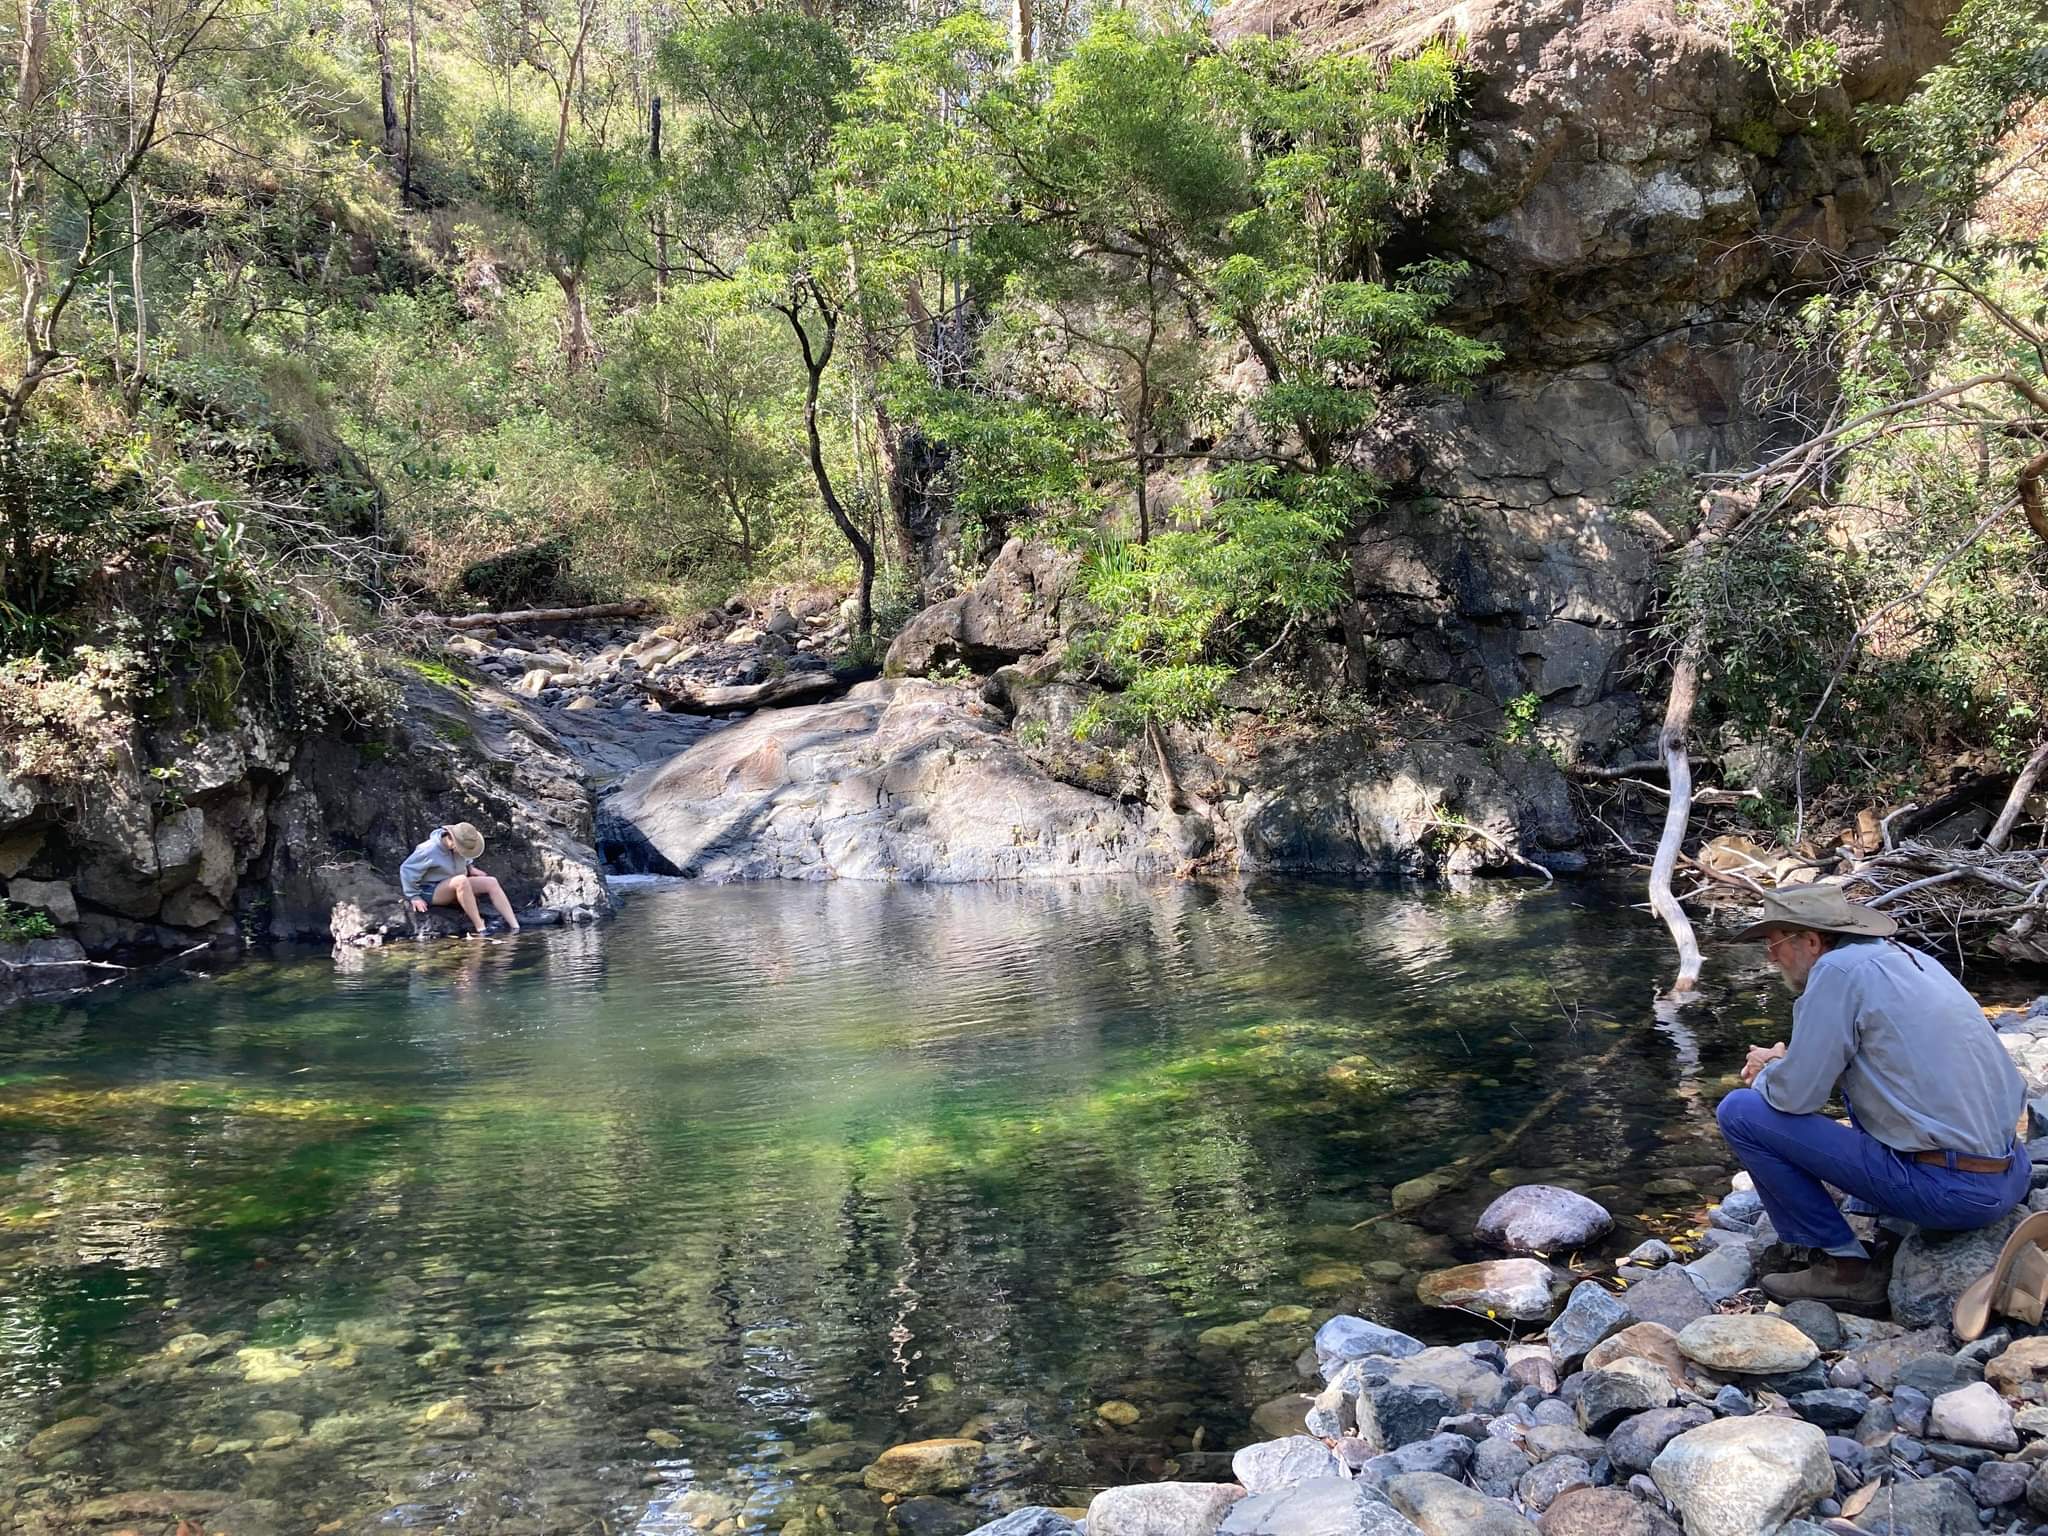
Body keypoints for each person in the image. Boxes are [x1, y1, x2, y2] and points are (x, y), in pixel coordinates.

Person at [1715, 885, 2028, 1311]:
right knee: (1866, 1075)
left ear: (1810, 940)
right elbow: (1879, 1059)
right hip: (2010, 1173)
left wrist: (1769, 1070)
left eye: (1774, 943)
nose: (1771, 957)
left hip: (1957, 1193)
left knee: (1740, 1111)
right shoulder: (1908, 959)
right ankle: (1889, 1224)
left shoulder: (1836, 973)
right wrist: (1787, 1061)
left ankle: (1843, 1268)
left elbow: (1795, 1097)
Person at [398, 821, 521, 938]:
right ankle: (480, 926)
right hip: (431, 890)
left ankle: (515, 926)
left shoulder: (459, 848)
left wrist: (471, 868)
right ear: (452, 841)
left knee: (491, 882)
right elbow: (407, 869)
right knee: (461, 880)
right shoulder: (428, 850)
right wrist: (414, 896)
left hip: (454, 883)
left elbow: (465, 857)